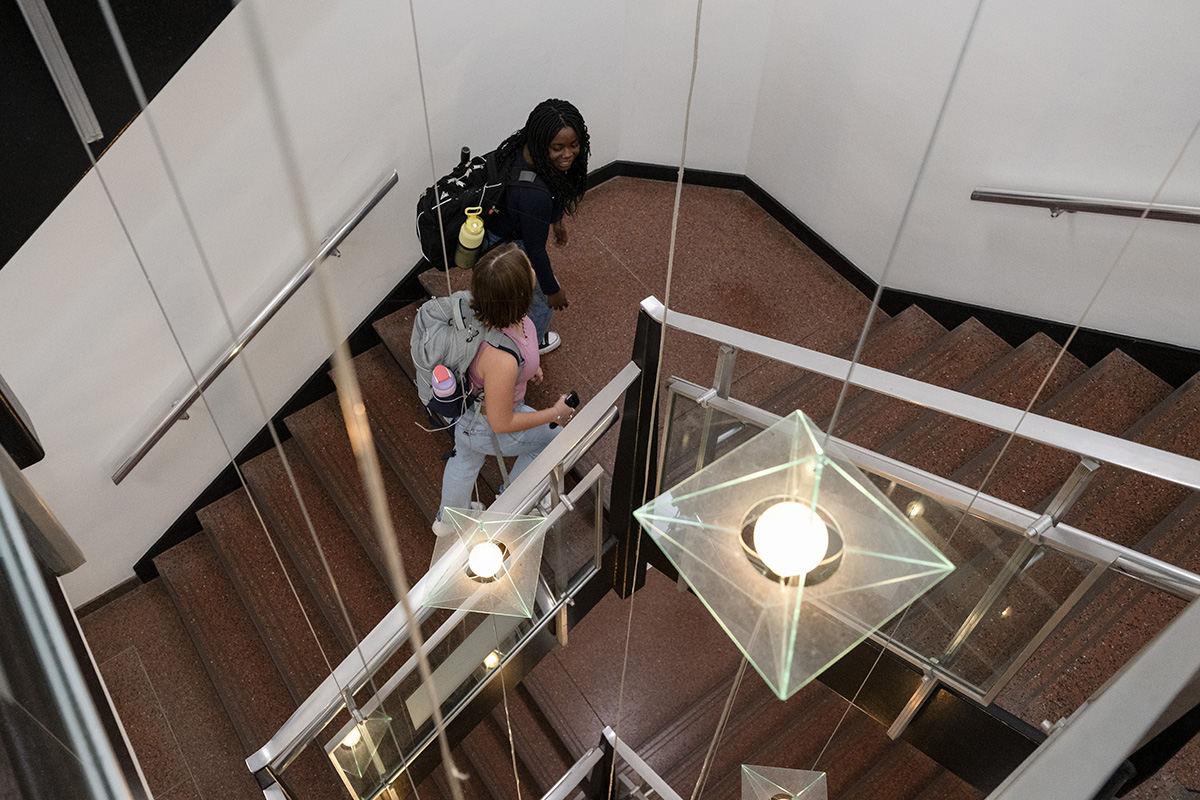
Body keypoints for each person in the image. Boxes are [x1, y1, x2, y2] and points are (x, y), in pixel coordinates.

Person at [433, 243, 576, 535]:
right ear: (520, 295)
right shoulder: (500, 359)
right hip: (486, 423)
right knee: (554, 441)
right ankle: (508, 504)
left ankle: (447, 523)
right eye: (529, 268)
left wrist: (529, 367)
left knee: (465, 459)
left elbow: (518, 350)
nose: (534, 269)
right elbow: (501, 422)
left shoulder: (493, 319)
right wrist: (554, 413)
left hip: (466, 414)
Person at [485, 99, 591, 355]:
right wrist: (552, 292)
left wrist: (557, 222)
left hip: (497, 230)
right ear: (543, 142)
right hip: (510, 244)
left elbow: (551, 186)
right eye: (558, 148)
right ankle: (534, 343)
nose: (567, 155)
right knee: (542, 301)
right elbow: (535, 251)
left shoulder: (524, 150)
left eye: (573, 145)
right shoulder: (535, 197)